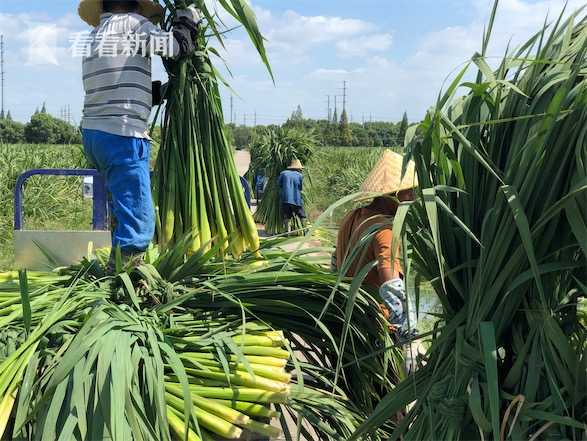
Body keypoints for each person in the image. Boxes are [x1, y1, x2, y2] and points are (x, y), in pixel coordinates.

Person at [77, 0, 200, 266]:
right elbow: (175, 47)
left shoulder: (96, 34)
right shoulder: (134, 24)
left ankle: (117, 260)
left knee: (121, 206)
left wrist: (158, 92)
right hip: (122, 135)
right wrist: (187, 21)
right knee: (137, 215)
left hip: (95, 133)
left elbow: (113, 82)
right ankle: (127, 280)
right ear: (132, 5)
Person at [335, 150, 418, 340]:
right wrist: (408, 328)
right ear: (396, 194)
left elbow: (335, 260)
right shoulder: (384, 230)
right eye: (410, 192)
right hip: (376, 324)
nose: (413, 198)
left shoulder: (352, 216)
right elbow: (391, 285)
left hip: (350, 317)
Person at [278, 159, 306, 231]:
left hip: (286, 199)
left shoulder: (283, 174)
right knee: (302, 215)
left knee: (287, 216)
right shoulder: (300, 176)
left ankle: (287, 232)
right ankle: (305, 231)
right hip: (297, 200)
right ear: (298, 168)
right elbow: (301, 188)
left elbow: (279, 184)